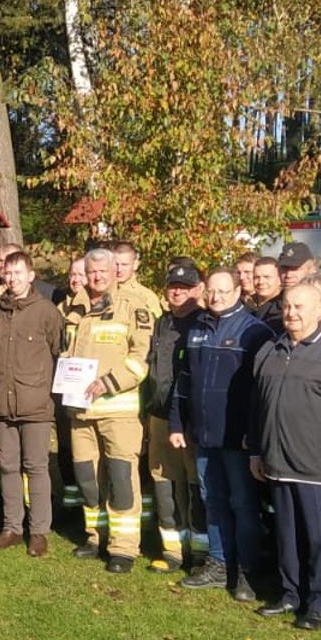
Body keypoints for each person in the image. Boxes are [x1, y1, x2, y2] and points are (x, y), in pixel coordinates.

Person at [249, 284, 321, 630]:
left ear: (320, 309)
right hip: (277, 463)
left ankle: (320, 601)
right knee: (286, 535)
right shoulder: (271, 348)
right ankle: (290, 594)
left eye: (300, 306)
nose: (292, 312)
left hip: (317, 467)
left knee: (320, 540)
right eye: (287, 306)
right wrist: (256, 450)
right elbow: (257, 405)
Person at [172, 267, 274, 594]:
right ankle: (218, 562)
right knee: (211, 500)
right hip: (204, 436)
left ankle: (246, 568)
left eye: (223, 291)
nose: (215, 297)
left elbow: (262, 392)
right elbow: (184, 382)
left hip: (237, 439)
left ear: (238, 291)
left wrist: (254, 435)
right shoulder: (198, 328)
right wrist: (177, 423)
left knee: (243, 504)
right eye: (211, 291)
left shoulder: (254, 332)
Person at [63, 249, 157, 573]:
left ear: (115, 271)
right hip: (81, 411)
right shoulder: (73, 307)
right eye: (92, 272)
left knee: (121, 480)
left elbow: (141, 358)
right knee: (87, 479)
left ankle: (124, 548)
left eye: (104, 271)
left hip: (118, 410)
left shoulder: (134, 307)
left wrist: (110, 382)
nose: (97, 277)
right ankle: (94, 536)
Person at [0, 251, 65, 556]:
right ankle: (12, 527)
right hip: (1, 403)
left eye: (19, 273)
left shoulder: (46, 312)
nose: (13, 278)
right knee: (7, 466)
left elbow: (58, 352)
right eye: (8, 273)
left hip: (35, 404)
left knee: (36, 467)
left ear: (31, 276)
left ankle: (39, 531)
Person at [146, 263, 205, 572]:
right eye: (173, 286)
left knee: (195, 485)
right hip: (158, 416)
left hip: (190, 421)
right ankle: (172, 550)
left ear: (198, 290)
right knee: (165, 481)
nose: (178, 291)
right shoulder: (161, 323)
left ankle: (200, 552)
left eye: (185, 286)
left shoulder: (205, 323)